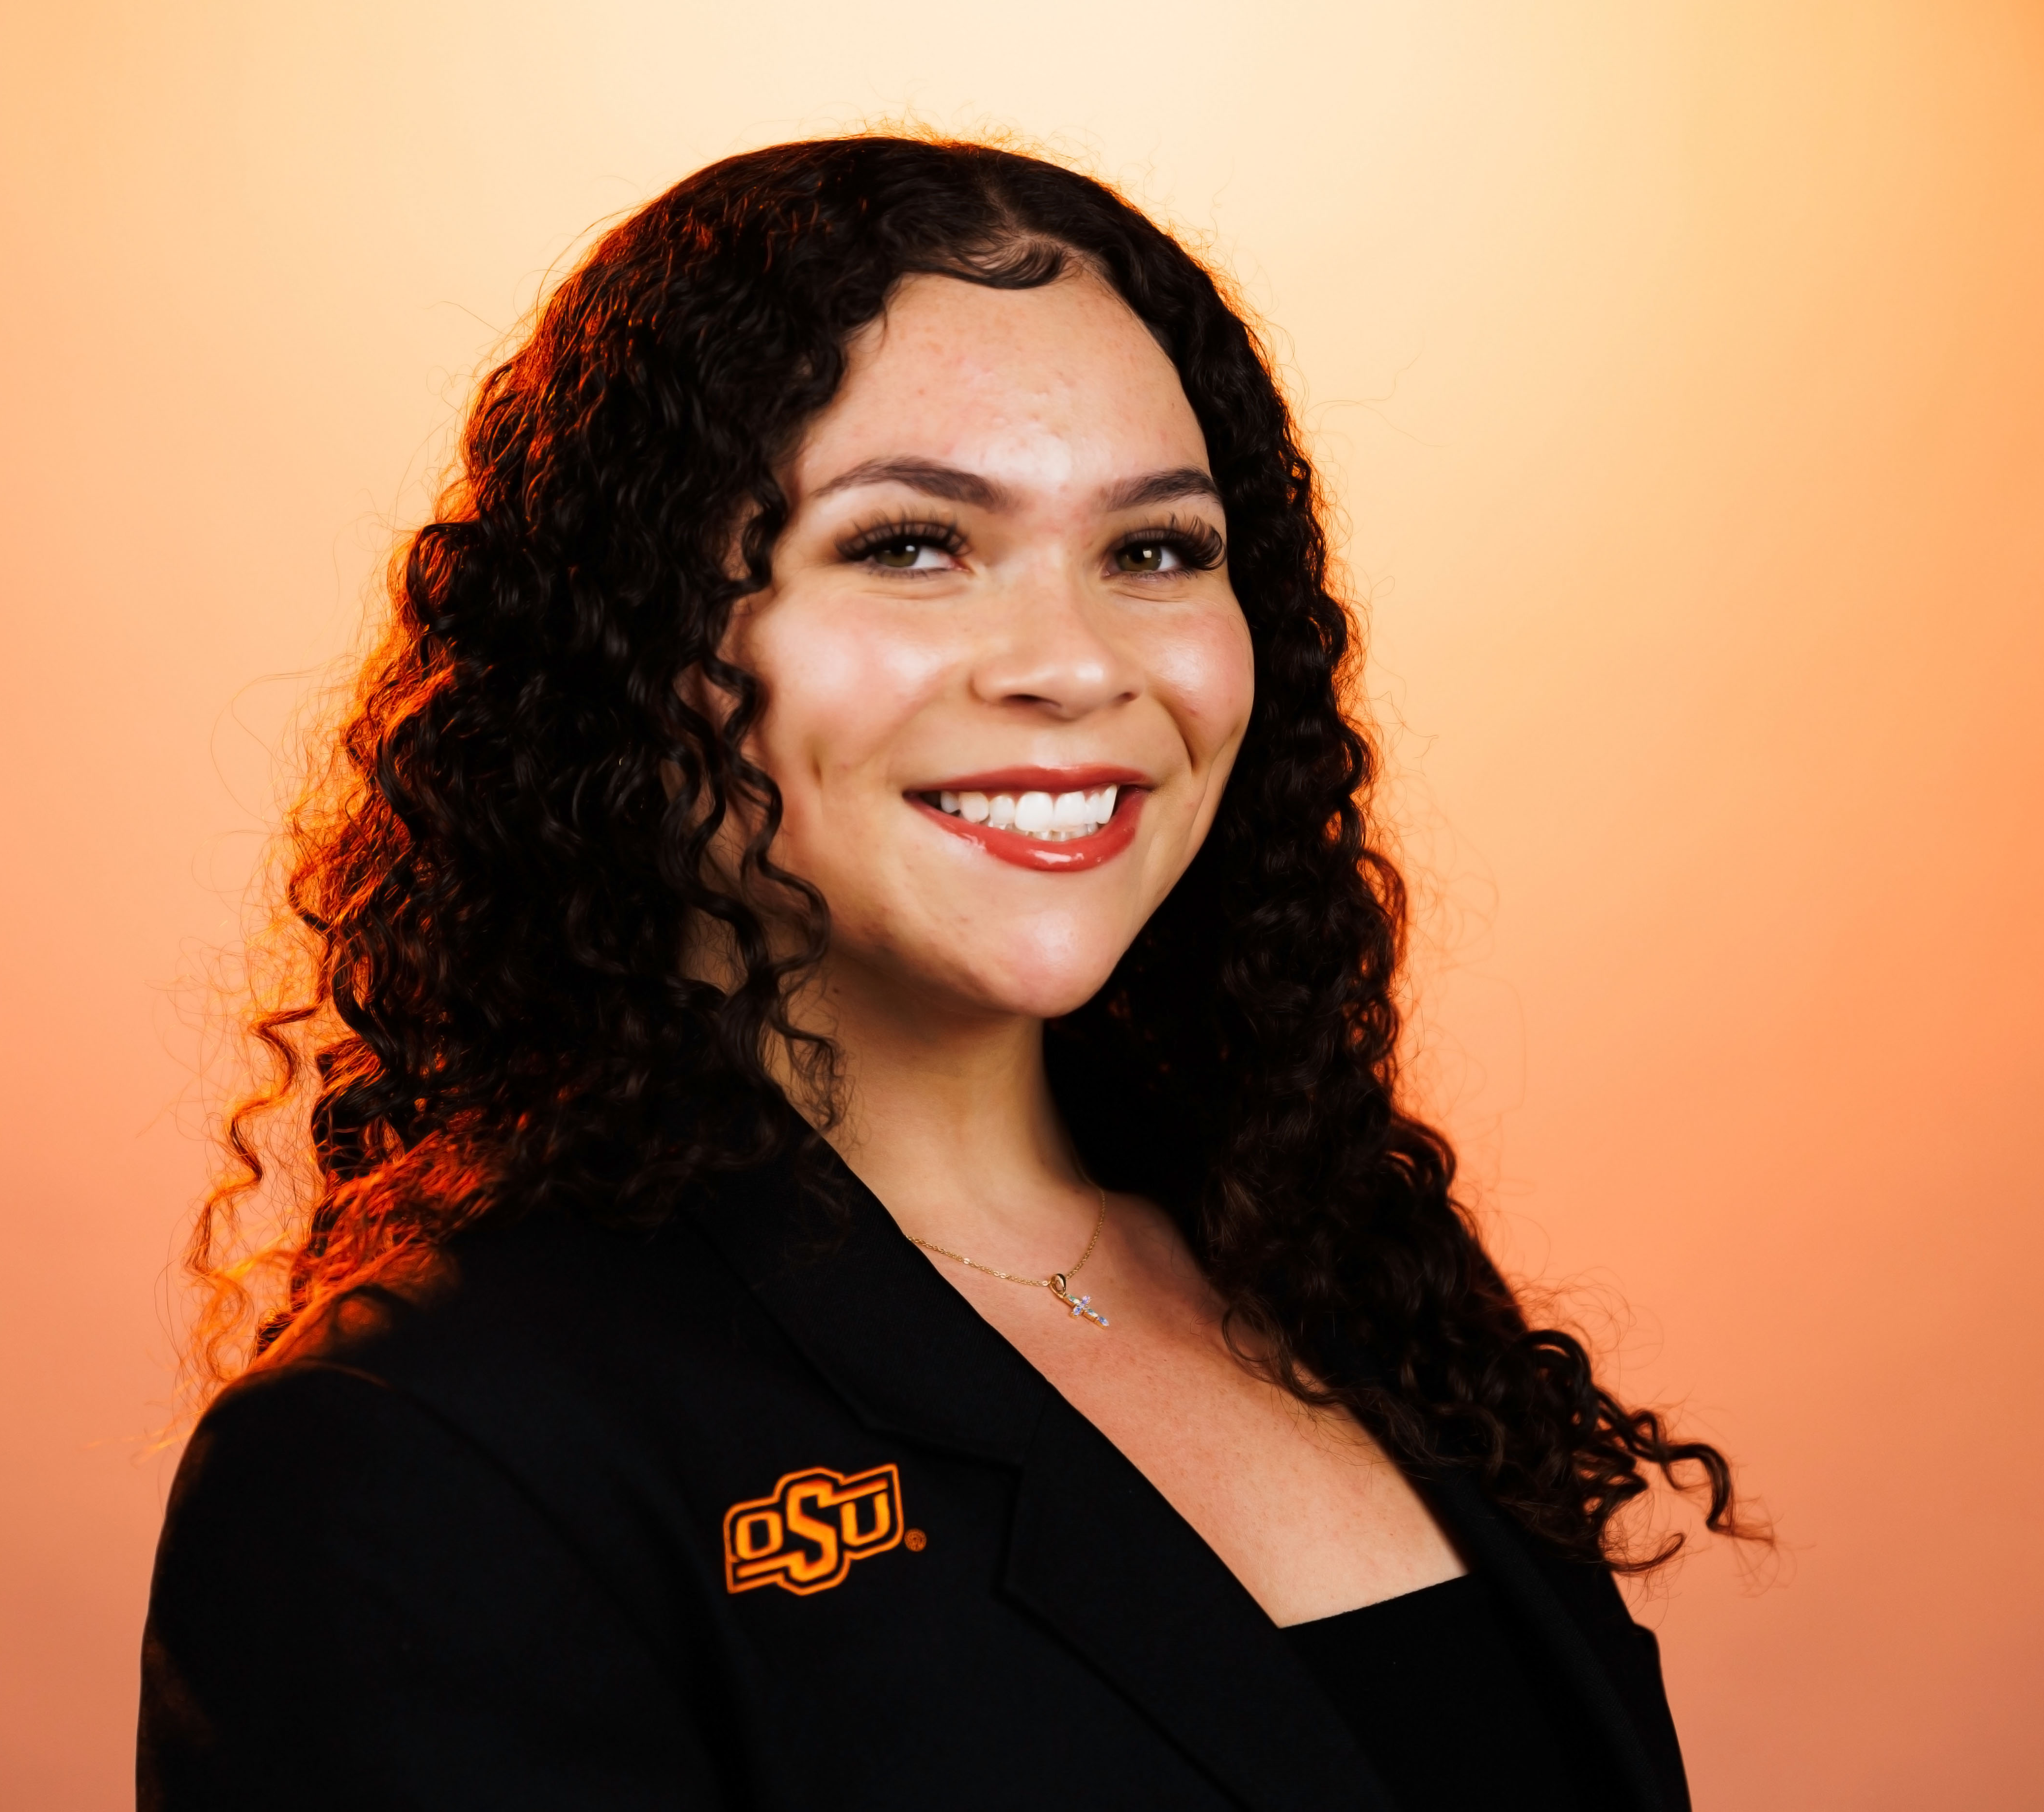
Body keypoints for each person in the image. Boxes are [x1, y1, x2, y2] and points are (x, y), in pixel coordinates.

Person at [138, 134, 1750, 1811]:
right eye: (909, 544)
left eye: (1155, 552)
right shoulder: (421, 1451)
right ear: (633, 647)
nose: (1074, 661)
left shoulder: (1341, 1278)